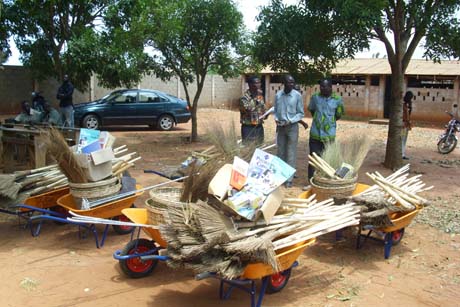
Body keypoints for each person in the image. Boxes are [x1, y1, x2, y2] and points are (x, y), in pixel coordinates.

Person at [305, 79, 344, 189]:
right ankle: (311, 183)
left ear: (331, 87)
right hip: (315, 134)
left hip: (329, 135)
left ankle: (325, 183)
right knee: (314, 159)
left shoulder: (337, 99)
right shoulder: (315, 98)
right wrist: (319, 121)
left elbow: (339, 115)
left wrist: (328, 122)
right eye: (321, 86)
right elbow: (312, 110)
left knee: (327, 159)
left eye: (325, 87)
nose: (323, 88)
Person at [274, 75, 305, 188]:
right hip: (281, 127)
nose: (291, 85)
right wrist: (277, 120)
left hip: (292, 127)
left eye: (292, 82)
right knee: (280, 152)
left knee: (291, 152)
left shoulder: (297, 96)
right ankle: (280, 177)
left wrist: (291, 121)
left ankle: (289, 179)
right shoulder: (278, 95)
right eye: (289, 82)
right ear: (284, 83)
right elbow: (276, 110)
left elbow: (300, 113)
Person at [239, 76, 267, 144]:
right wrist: (257, 98)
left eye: (259, 83)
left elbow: (263, 109)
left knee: (259, 149)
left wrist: (266, 114)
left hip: (259, 127)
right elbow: (250, 111)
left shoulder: (260, 97)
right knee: (248, 149)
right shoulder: (244, 98)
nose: (258, 85)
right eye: (256, 83)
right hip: (248, 127)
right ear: (250, 84)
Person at [402, 91, 414, 160]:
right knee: (402, 139)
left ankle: (403, 153)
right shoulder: (403, 105)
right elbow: (404, 116)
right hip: (403, 124)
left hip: (406, 124)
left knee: (404, 139)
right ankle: (402, 154)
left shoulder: (408, 105)